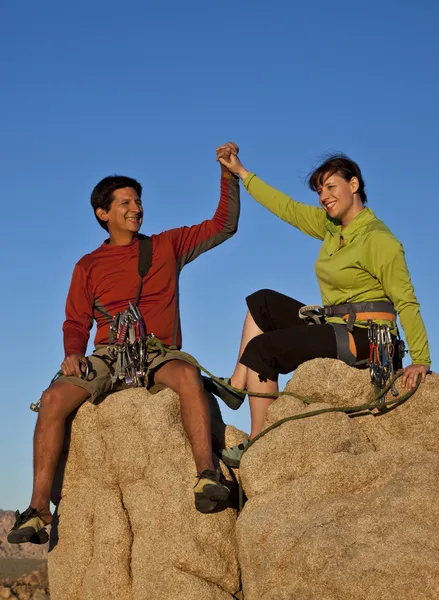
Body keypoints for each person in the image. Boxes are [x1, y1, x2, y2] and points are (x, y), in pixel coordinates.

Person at [8, 144, 241, 545]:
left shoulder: (167, 246)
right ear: (103, 213)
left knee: (188, 377)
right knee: (51, 401)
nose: (136, 208)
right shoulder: (88, 265)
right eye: (125, 202)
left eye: (138, 201)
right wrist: (72, 353)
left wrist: (228, 174)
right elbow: (75, 320)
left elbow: (224, 225)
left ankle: (206, 475)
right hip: (107, 354)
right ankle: (37, 509)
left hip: (155, 351)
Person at [206, 144, 430, 467]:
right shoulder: (330, 228)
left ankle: (258, 442)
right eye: (320, 190)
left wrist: (420, 359)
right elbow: (287, 208)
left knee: (263, 349)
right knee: (262, 302)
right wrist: (241, 173)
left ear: (354, 185)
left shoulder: (379, 239)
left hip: (368, 339)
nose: (323, 196)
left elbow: (406, 301)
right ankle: (238, 384)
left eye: (330, 187)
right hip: (336, 326)